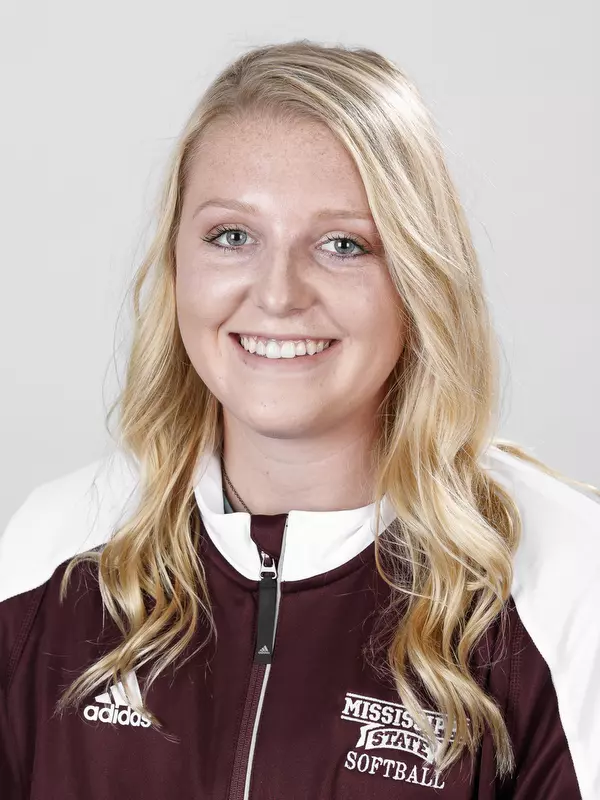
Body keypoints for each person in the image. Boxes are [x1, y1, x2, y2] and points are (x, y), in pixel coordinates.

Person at [0, 39, 599, 800]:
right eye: (232, 237)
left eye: (342, 245)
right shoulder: (47, 554)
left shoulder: (567, 579)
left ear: (421, 277)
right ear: (177, 263)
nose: (278, 294)